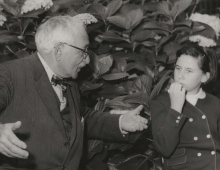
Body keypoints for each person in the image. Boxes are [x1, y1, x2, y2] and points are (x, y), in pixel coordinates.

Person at [0, 15, 148, 170]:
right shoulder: (10, 74)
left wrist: (120, 122)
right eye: (83, 50)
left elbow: (80, 118)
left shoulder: (69, 82)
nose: (87, 60)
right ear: (58, 51)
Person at [150, 44, 220, 170]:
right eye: (178, 68)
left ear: (204, 77)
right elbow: (164, 149)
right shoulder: (161, 102)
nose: (180, 75)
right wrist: (176, 108)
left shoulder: (215, 104)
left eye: (189, 71)